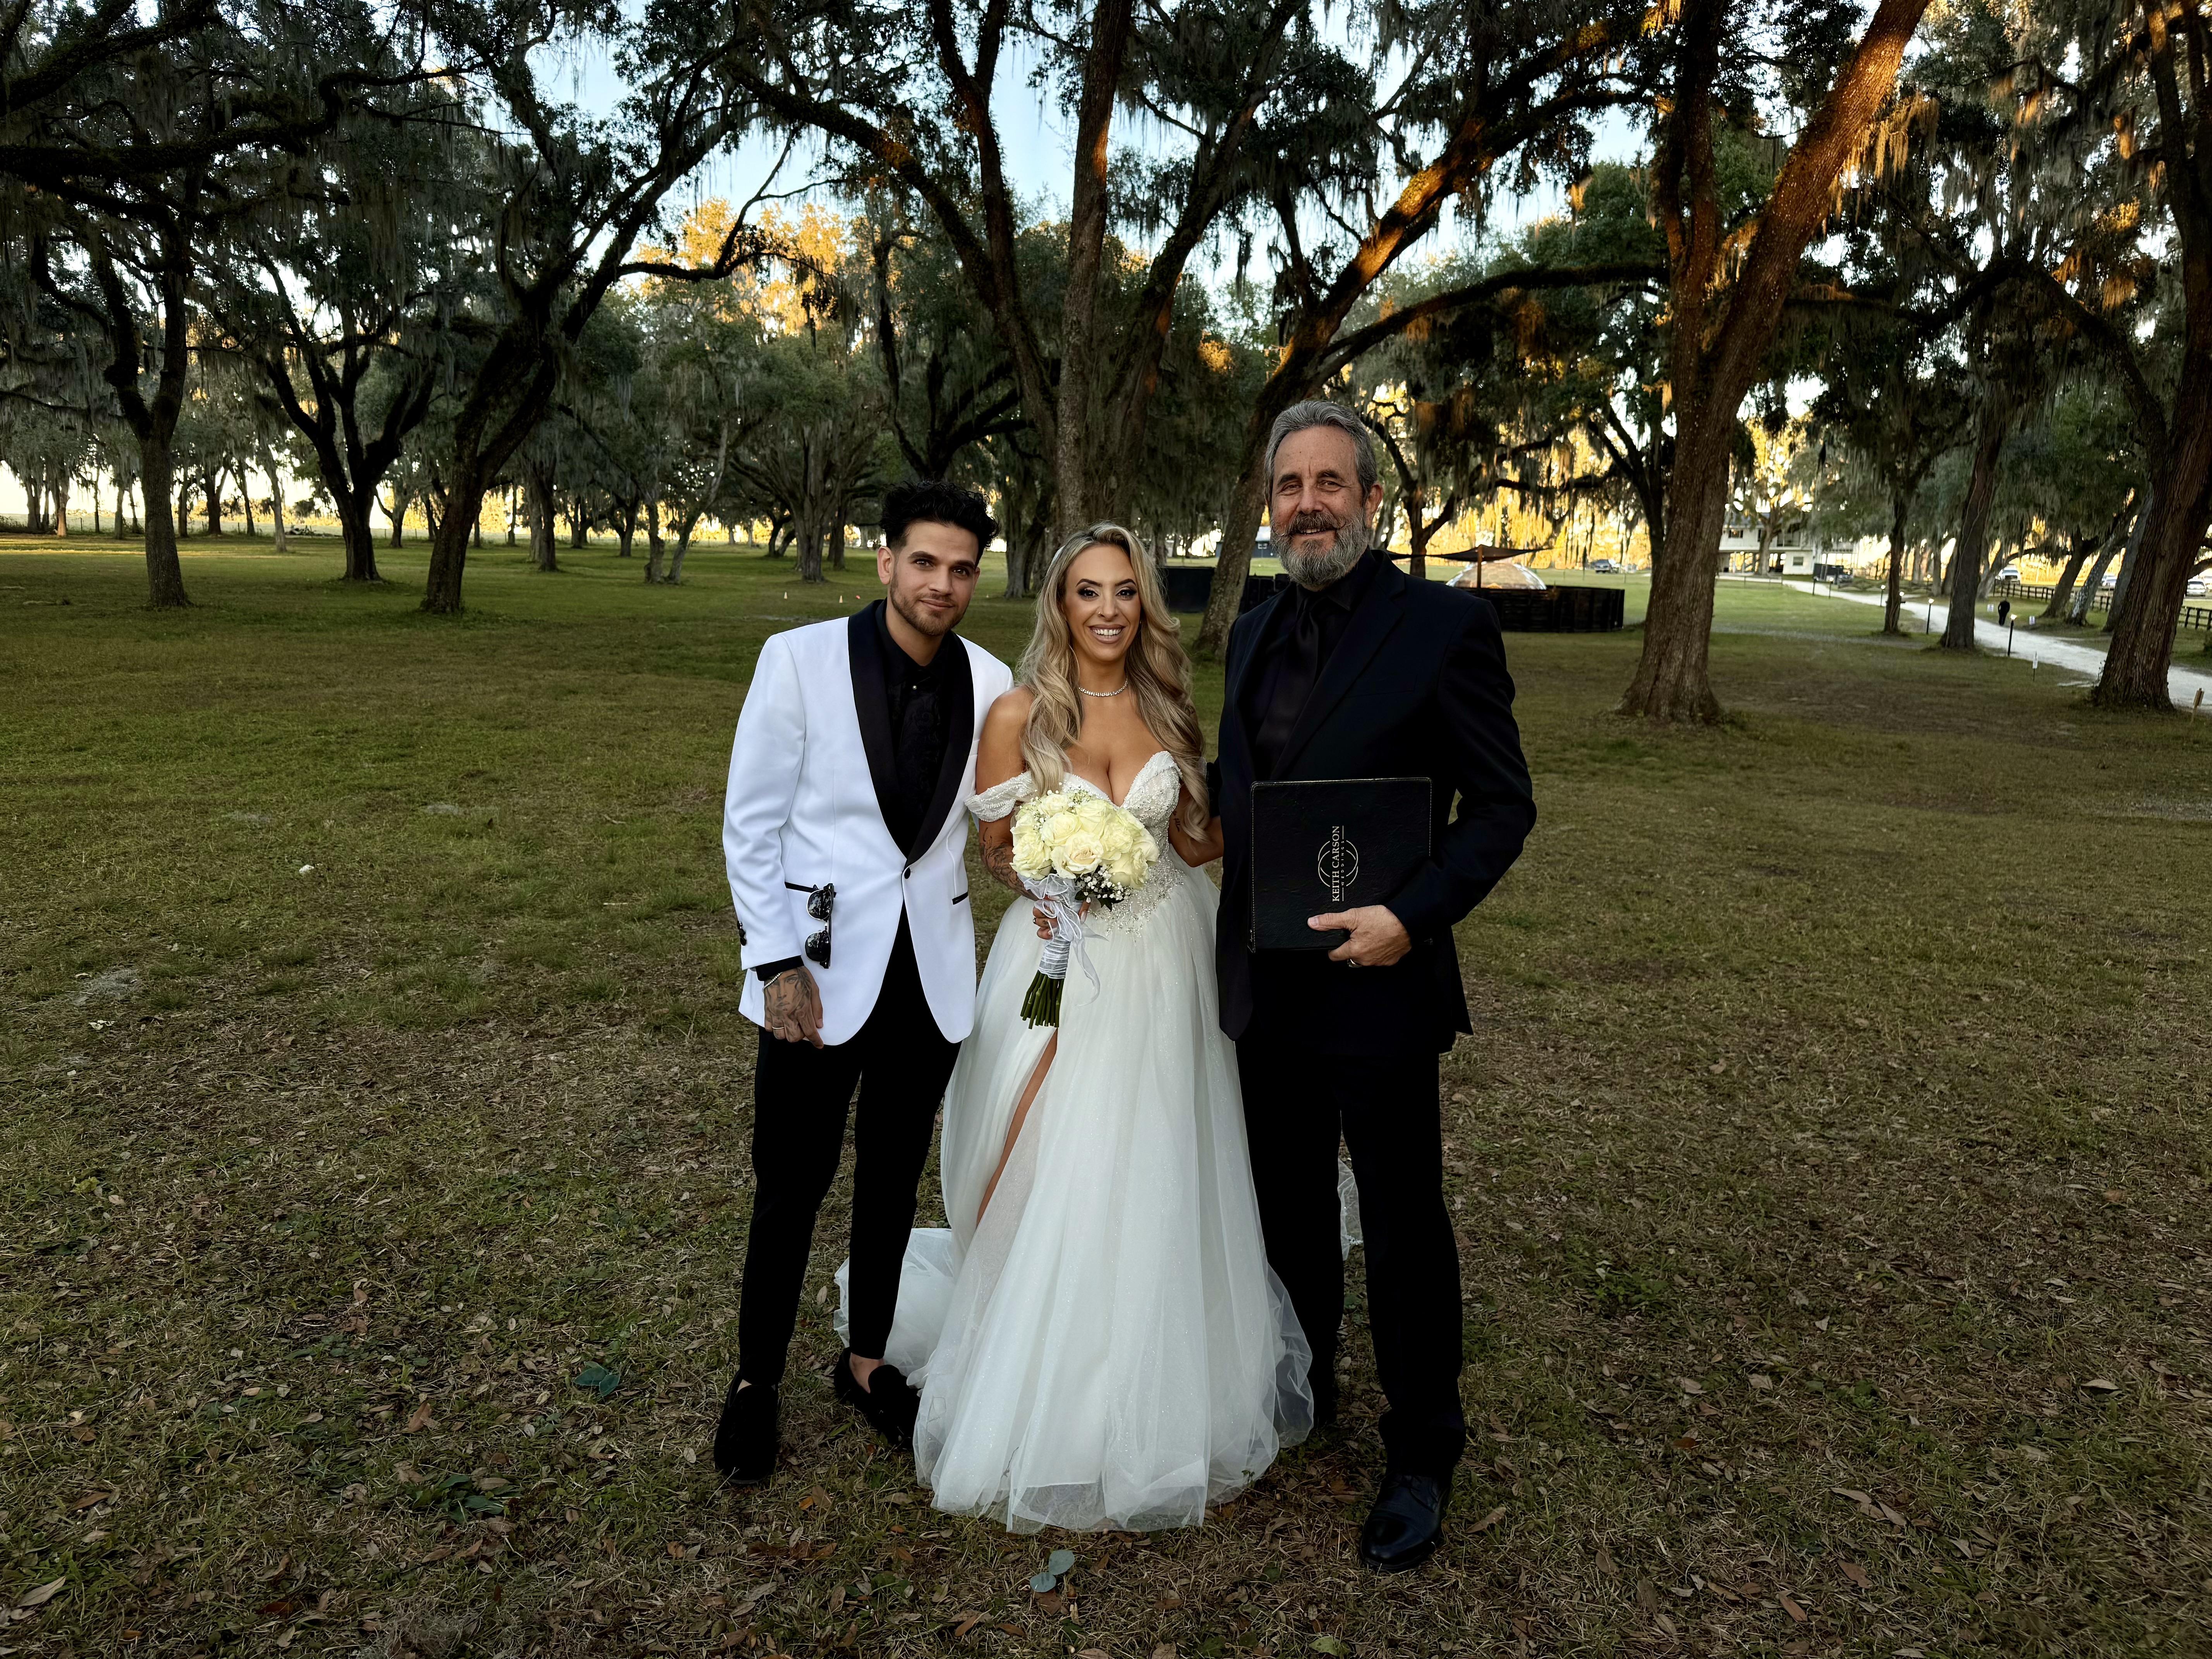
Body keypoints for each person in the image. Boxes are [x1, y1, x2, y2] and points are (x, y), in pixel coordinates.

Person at [848, 523, 1314, 1534]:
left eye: (1126, 592)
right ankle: (1030, 1352)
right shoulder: (1021, 713)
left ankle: (1151, 1373)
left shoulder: (1167, 705)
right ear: (1060, 605)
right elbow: (995, 849)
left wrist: (1282, 800)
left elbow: (1192, 839)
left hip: (1163, 958)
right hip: (1058, 956)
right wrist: (1054, 877)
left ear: (1146, 604)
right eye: (1088, 592)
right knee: (1043, 1146)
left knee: (1152, 1152)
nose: (1108, 610)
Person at [1214, 401, 1536, 1572]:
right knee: (1287, 1207)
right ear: (1269, 506)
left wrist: (1414, 915)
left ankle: (1424, 1448)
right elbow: (1241, 794)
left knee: (1402, 1226)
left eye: (1330, 483)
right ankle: (1308, 1384)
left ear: (1371, 500)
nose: (1308, 504)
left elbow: (1501, 805)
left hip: (1382, 985)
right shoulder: (1251, 630)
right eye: (1289, 485)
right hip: (1267, 987)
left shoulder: (1444, 626)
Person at [711, 478, 1014, 1487]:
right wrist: (775, 963)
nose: (942, 584)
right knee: (790, 1182)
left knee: (891, 1174)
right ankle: (756, 1381)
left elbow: (1000, 825)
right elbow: (751, 825)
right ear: (886, 561)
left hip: (931, 974)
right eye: (924, 561)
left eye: (961, 568)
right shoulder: (796, 660)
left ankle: (867, 1361)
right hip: (817, 974)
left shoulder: (993, 682)